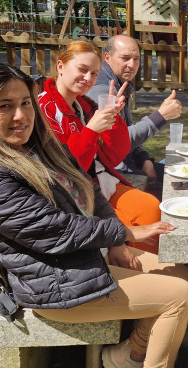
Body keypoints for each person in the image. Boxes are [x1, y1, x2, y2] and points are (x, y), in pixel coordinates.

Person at [0, 63, 188, 368]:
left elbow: (89, 186)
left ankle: (125, 355)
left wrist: (117, 241)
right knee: (179, 295)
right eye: (5, 106)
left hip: (82, 258)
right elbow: (57, 231)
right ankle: (138, 358)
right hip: (53, 283)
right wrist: (126, 233)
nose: (20, 115)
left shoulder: (38, 145)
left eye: (26, 103)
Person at [38, 39, 162, 254]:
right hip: (71, 197)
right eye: (83, 70)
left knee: (150, 206)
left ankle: (147, 268)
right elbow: (66, 171)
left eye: (94, 74)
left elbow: (113, 156)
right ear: (60, 67)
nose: (88, 79)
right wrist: (91, 131)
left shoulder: (84, 105)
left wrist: (114, 119)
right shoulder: (44, 109)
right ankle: (132, 269)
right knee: (138, 218)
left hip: (99, 184)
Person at [90, 34, 183, 189]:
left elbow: (126, 130)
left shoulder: (119, 83)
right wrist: (161, 116)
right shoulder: (102, 91)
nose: (132, 65)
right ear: (107, 57)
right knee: (172, 190)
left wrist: (144, 159)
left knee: (183, 179)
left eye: (136, 59)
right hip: (111, 174)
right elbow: (120, 141)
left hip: (129, 164)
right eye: (125, 58)